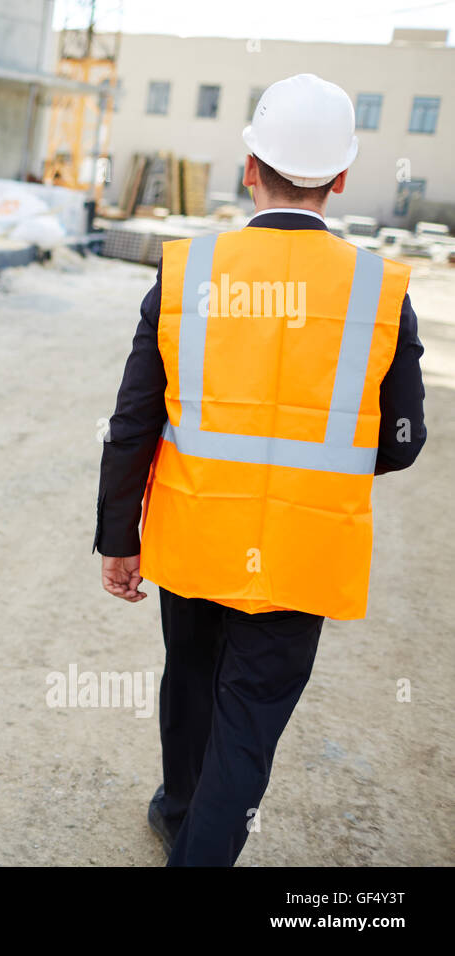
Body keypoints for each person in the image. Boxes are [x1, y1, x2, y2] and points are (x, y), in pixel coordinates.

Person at [96, 73, 426, 866]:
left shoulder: (185, 273)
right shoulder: (380, 289)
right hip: (302, 550)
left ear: (251, 166)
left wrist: (118, 536)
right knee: (248, 720)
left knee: (191, 680)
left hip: (197, 532)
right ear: (341, 178)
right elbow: (404, 439)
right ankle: (196, 829)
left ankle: (181, 812)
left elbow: (134, 421)